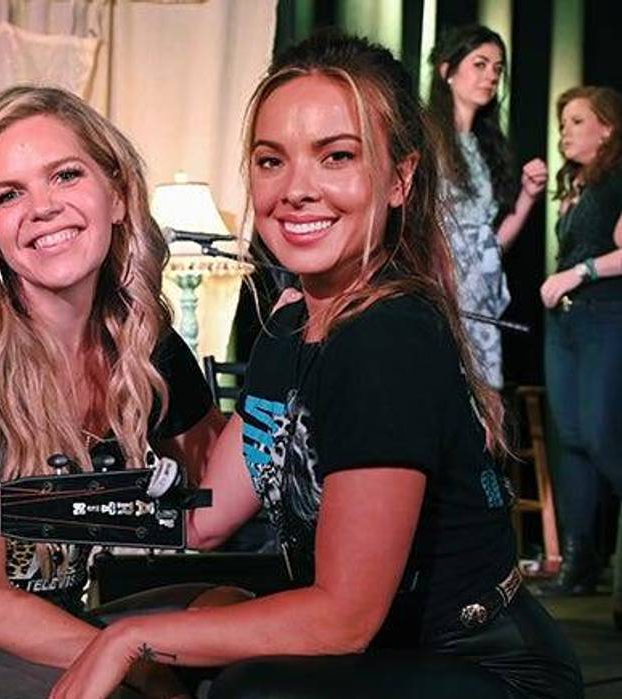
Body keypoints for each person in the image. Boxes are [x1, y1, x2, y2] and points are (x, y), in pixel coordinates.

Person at [51, 33, 582, 699]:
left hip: (486, 666)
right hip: (387, 653)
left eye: (335, 156)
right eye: (271, 160)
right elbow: (206, 515)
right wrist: (20, 505)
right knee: (128, 622)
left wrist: (127, 640)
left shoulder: (385, 338)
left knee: (233, 680)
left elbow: (341, 617)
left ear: (399, 179)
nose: (296, 189)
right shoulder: (291, 321)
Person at [0, 85, 225, 698]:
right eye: (8, 195)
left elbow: (215, 506)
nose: (41, 207)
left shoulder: (148, 342)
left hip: (78, 621)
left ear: (116, 194)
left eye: (65, 175)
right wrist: (137, 661)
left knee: (232, 612)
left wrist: (292, 351)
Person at [537, 86, 622, 605]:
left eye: (577, 121)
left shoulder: (615, 180)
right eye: (563, 122)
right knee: (569, 440)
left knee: (598, 433)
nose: (565, 132)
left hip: (604, 316)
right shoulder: (579, 184)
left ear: (607, 128)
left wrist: (578, 272)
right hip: (566, 324)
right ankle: (578, 561)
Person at [427, 24, 547, 390]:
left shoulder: (485, 145)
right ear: (447, 70)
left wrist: (527, 196)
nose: (491, 75)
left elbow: (491, 243)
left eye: (497, 68)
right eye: (480, 64)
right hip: (437, 289)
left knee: (482, 404)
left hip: (481, 295)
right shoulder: (424, 135)